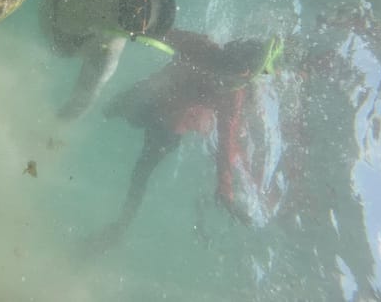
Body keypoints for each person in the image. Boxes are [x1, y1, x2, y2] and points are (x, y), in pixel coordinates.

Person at [87, 29, 284, 250]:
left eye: (239, 79)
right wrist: (127, 28)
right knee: (109, 111)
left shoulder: (232, 95)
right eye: (235, 75)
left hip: (168, 124)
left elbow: (225, 142)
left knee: (140, 173)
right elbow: (159, 31)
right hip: (153, 100)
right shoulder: (202, 48)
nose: (226, 81)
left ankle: (119, 228)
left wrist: (225, 188)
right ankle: (119, 225)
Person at [39, 0, 177, 119]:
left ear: (134, 34)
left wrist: (48, 132)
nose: (126, 9)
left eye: (135, 19)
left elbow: (80, 103)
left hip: (39, 35)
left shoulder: (104, 55)